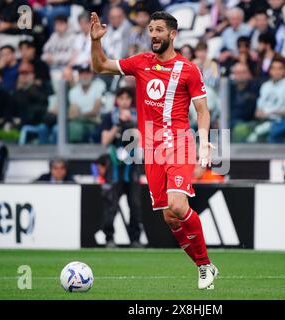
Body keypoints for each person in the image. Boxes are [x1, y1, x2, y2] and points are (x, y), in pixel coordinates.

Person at [90, 10, 218, 289]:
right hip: (152, 149)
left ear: (172, 34)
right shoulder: (140, 63)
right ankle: (203, 266)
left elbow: (202, 111)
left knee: (177, 205)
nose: (153, 35)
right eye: (150, 29)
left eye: (159, 30)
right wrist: (96, 41)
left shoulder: (188, 69)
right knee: (170, 217)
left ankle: (206, 265)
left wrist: (205, 141)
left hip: (180, 143)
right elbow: (100, 67)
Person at [100, 87, 143, 248]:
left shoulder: (138, 116)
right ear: (117, 100)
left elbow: (142, 139)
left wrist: (131, 125)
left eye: (128, 98)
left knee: (135, 204)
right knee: (111, 204)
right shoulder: (109, 116)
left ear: (131, 100)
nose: (125, 101)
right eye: (121, 98)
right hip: (115, 166)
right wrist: (117, 126)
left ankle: (135, 239)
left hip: (132, 167)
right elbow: (105, 140)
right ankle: (109, 238)